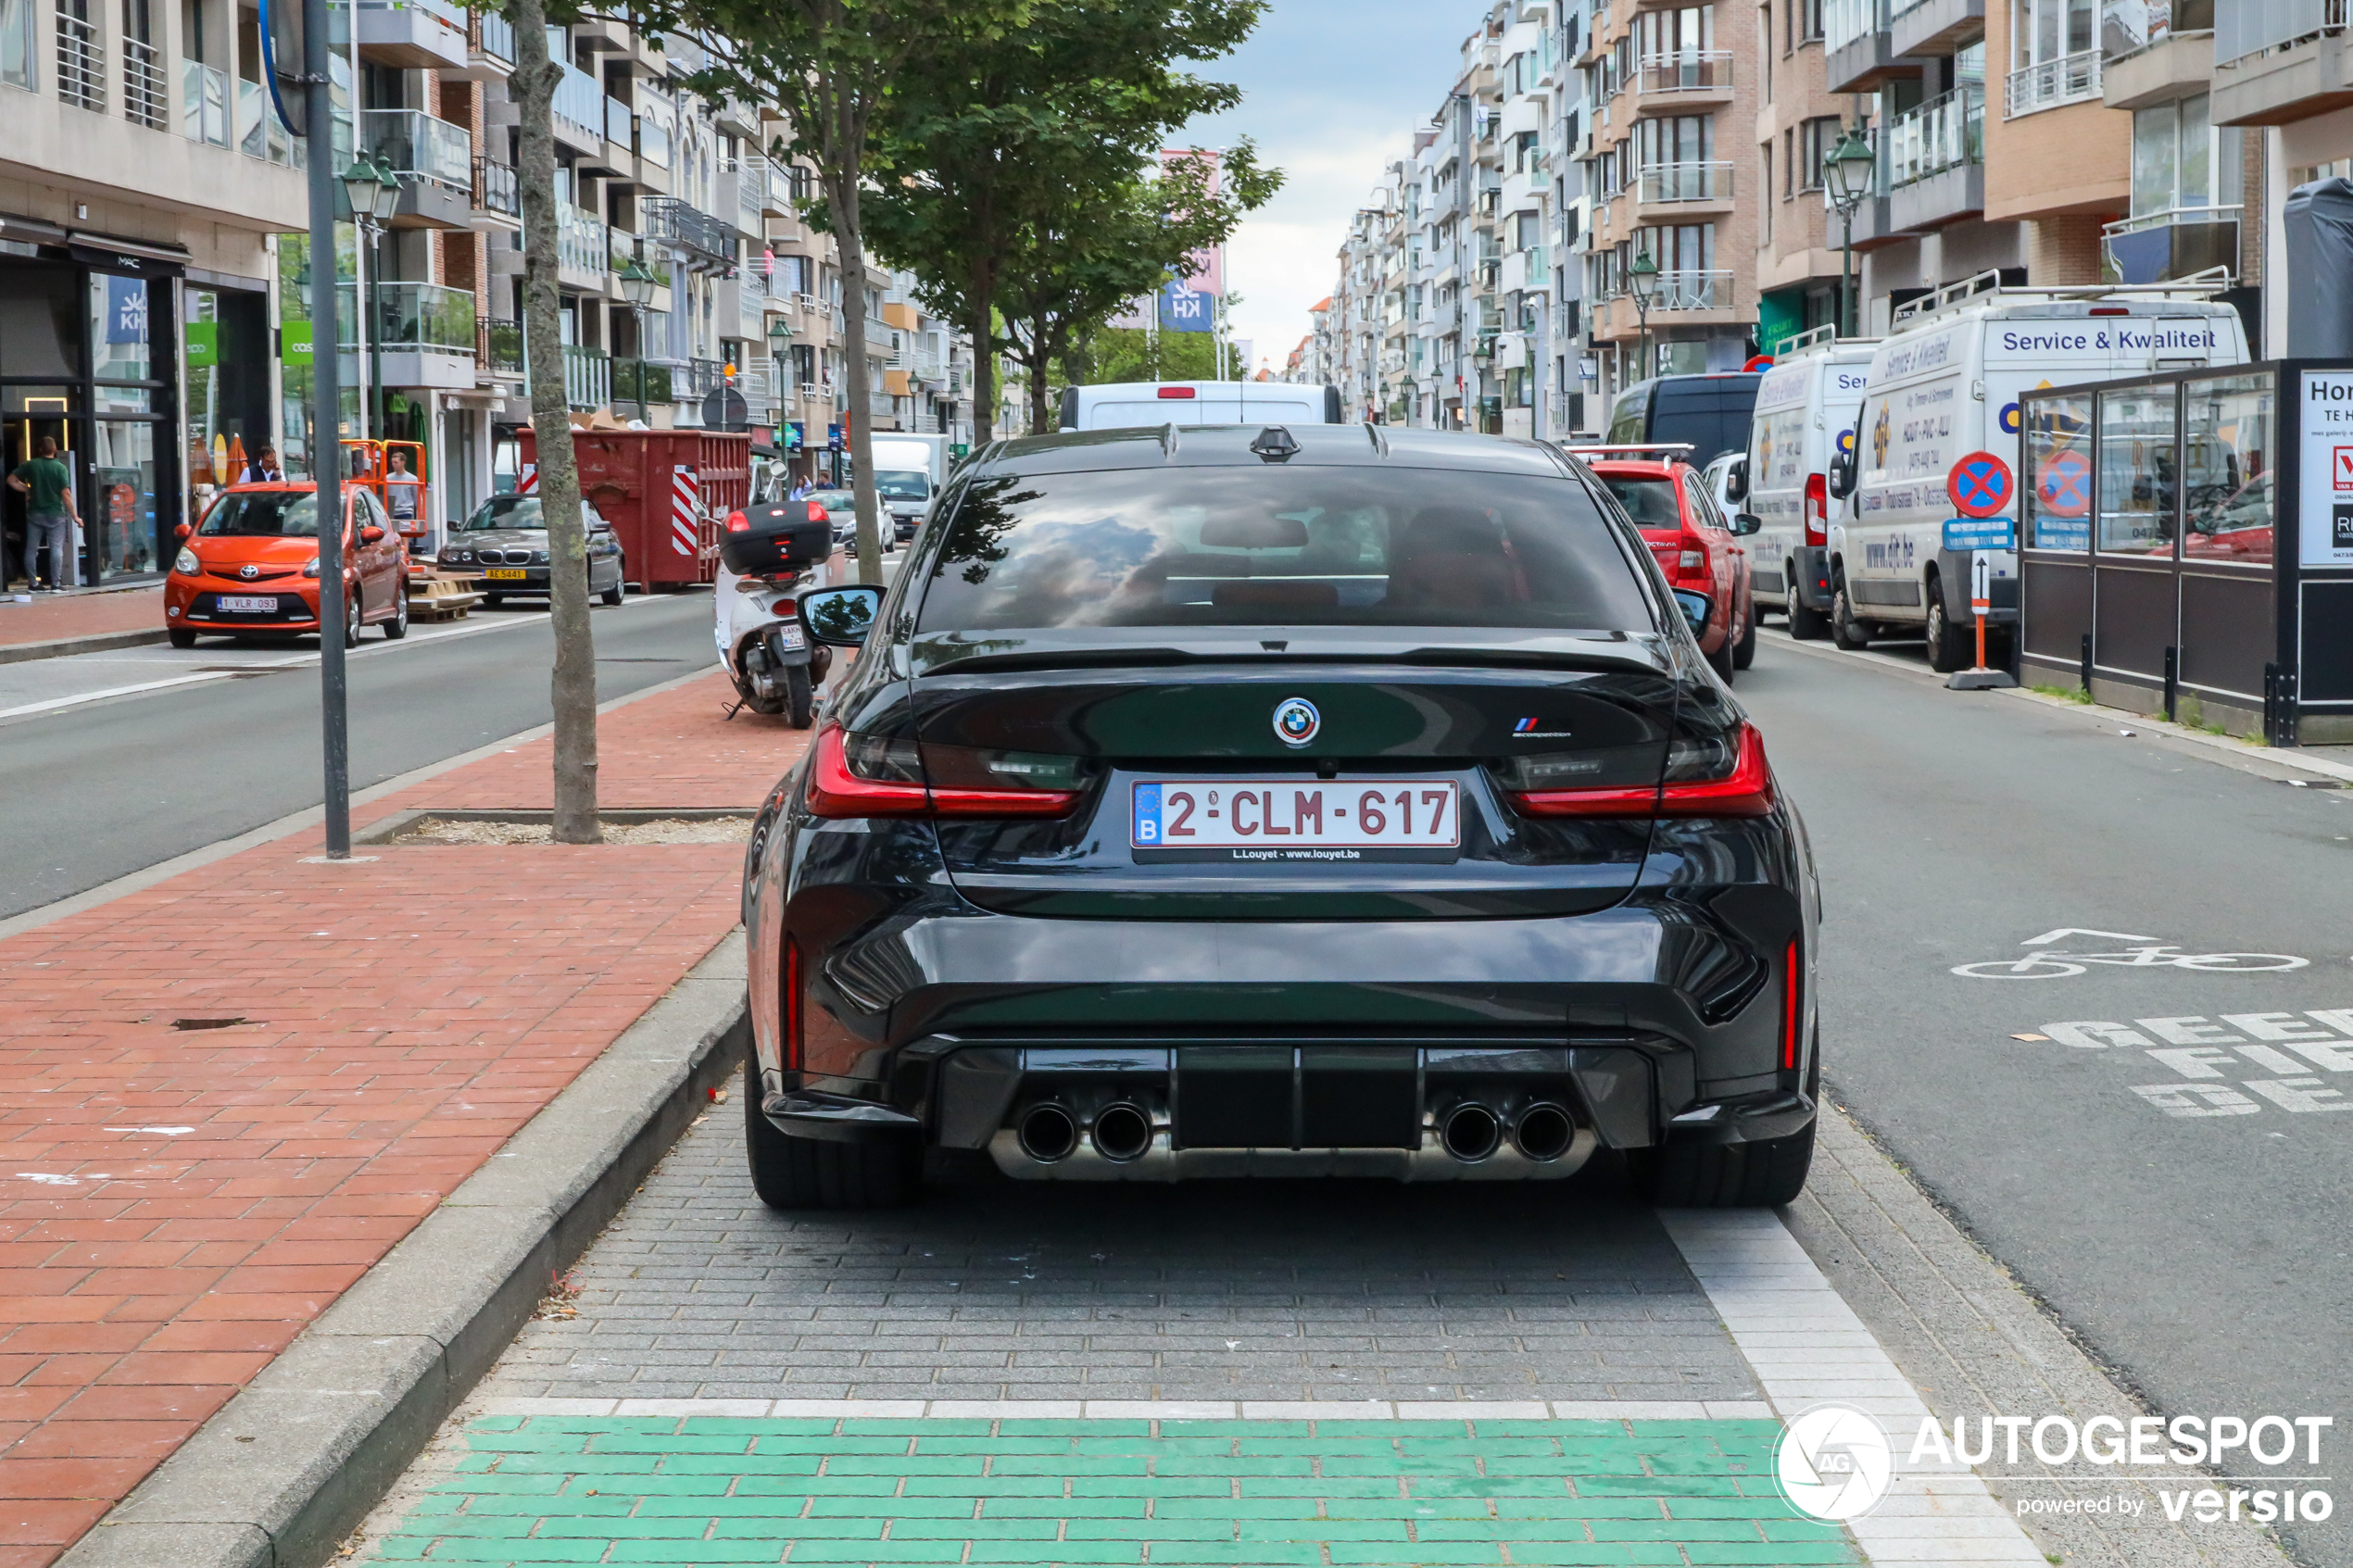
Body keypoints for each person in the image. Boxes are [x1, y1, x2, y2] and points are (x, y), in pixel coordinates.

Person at [6, 436, 77, 592]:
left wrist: (28, 489)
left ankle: (32, 583)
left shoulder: (31, 465)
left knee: (32, 549)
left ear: (39, 450)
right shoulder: (60, 468)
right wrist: (75, 516)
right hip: (56, 514)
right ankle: (55, 584)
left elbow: (11, 480)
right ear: (55, 450)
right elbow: (66, 494)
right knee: (56, 548)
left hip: (35, 513)